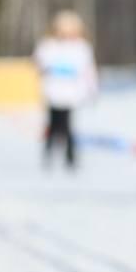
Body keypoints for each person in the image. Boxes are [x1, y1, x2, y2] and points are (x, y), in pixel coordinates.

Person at [33, 10, 98, 169]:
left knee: (68, 126)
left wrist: (92, 90)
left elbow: (88, 71)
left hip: (71, 94)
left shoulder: (81, 48)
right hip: (52, 92)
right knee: (53, 124)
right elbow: (38, 64)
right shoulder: (48, 46)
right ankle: (48, 155)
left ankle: (70, 158)